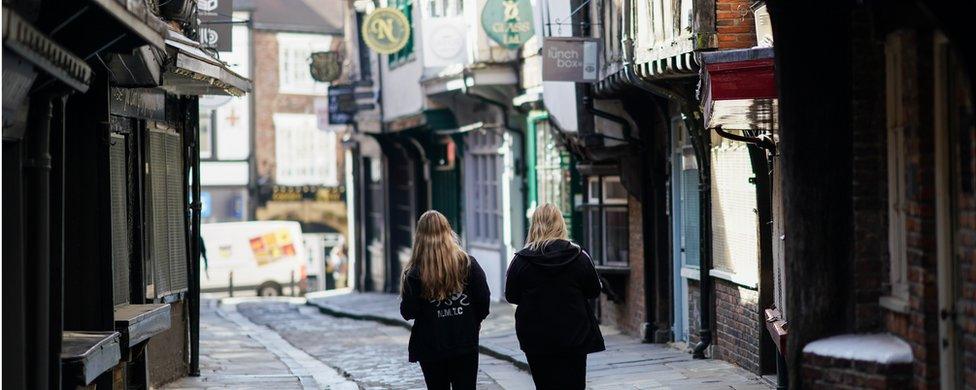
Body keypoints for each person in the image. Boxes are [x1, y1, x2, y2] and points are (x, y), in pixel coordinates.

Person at [505, 203, 605, 390]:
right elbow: (593, 291)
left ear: (534, 225)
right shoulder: (579, 256)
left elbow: (511, 296)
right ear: (560, 224)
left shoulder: (521, 260)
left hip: (536, 337)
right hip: (574, 334)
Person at [400, 210, 490, 390]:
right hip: (464, 340)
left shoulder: (414, 273)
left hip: (431, 345)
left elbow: (408, 312)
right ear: (448, 232)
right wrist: (473, 322)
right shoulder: (467, 264)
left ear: (420, 236)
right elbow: (483, 301)